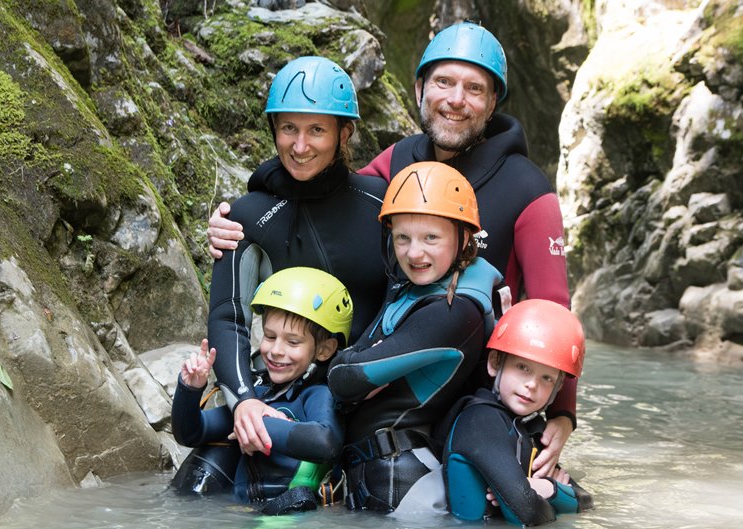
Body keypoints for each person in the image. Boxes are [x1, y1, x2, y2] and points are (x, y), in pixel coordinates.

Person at [206, 22, 576, 478]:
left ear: (493, 101)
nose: (456, 99)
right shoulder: (399, 161)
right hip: (381, 393)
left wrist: (562, 414)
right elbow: (322, 183)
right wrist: (244, 209)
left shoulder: (529, 189)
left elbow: (554, 311)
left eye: (474, 88)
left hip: (483, 399)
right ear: (419, 88)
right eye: (443, 82)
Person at [203, 56, 387, 460]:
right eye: (289, 128)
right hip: (275, 399)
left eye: (316, 130)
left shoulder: (382, 205)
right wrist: (244, 401)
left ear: (344, 133)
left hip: (368, 403)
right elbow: (226, 317)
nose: (300, 146)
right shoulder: (248, 215)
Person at [326, 161, 504, 513]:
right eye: (402, 237)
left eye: (431, 238)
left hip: (405, 490)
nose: (414, 253)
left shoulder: (456, 312)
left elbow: (344, 378)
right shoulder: (410, 289)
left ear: (464, 237)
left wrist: (357, 363)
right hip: (374, 480)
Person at [171, 267, 353, 514]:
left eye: (293, 342)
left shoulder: (317, 394)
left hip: (285, 514)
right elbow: (191, 433)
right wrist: (190, 388)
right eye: (269, 336)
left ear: (324, 350)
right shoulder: (256, 395)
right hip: (240, 512)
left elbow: (326, 442)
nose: (276, 350)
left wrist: (258, 424)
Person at [442, 299, 594, 525]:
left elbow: (587, 501)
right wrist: (551, 493)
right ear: (494, 363)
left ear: (557, 388)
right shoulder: (480, 421)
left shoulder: (528, 428)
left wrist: (546, 489)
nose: (532, 384)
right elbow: (527, 513)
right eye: (523, 368)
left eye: (546, 378)